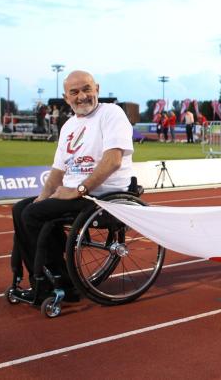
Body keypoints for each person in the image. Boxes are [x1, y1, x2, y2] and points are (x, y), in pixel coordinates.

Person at [10, 70, 134, 302]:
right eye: (74, 92)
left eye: (87, 89)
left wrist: (80, 190)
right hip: (75, 194)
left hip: (103, 196)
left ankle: (61, 283)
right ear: (66, 97)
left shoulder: (111, 114)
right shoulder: (68, 126)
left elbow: (113, 160)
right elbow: (58, 170)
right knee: (22, 209)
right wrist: (43, 196)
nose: (82, 96)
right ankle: (47, 278)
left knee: (33, 215)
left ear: (97, 88)